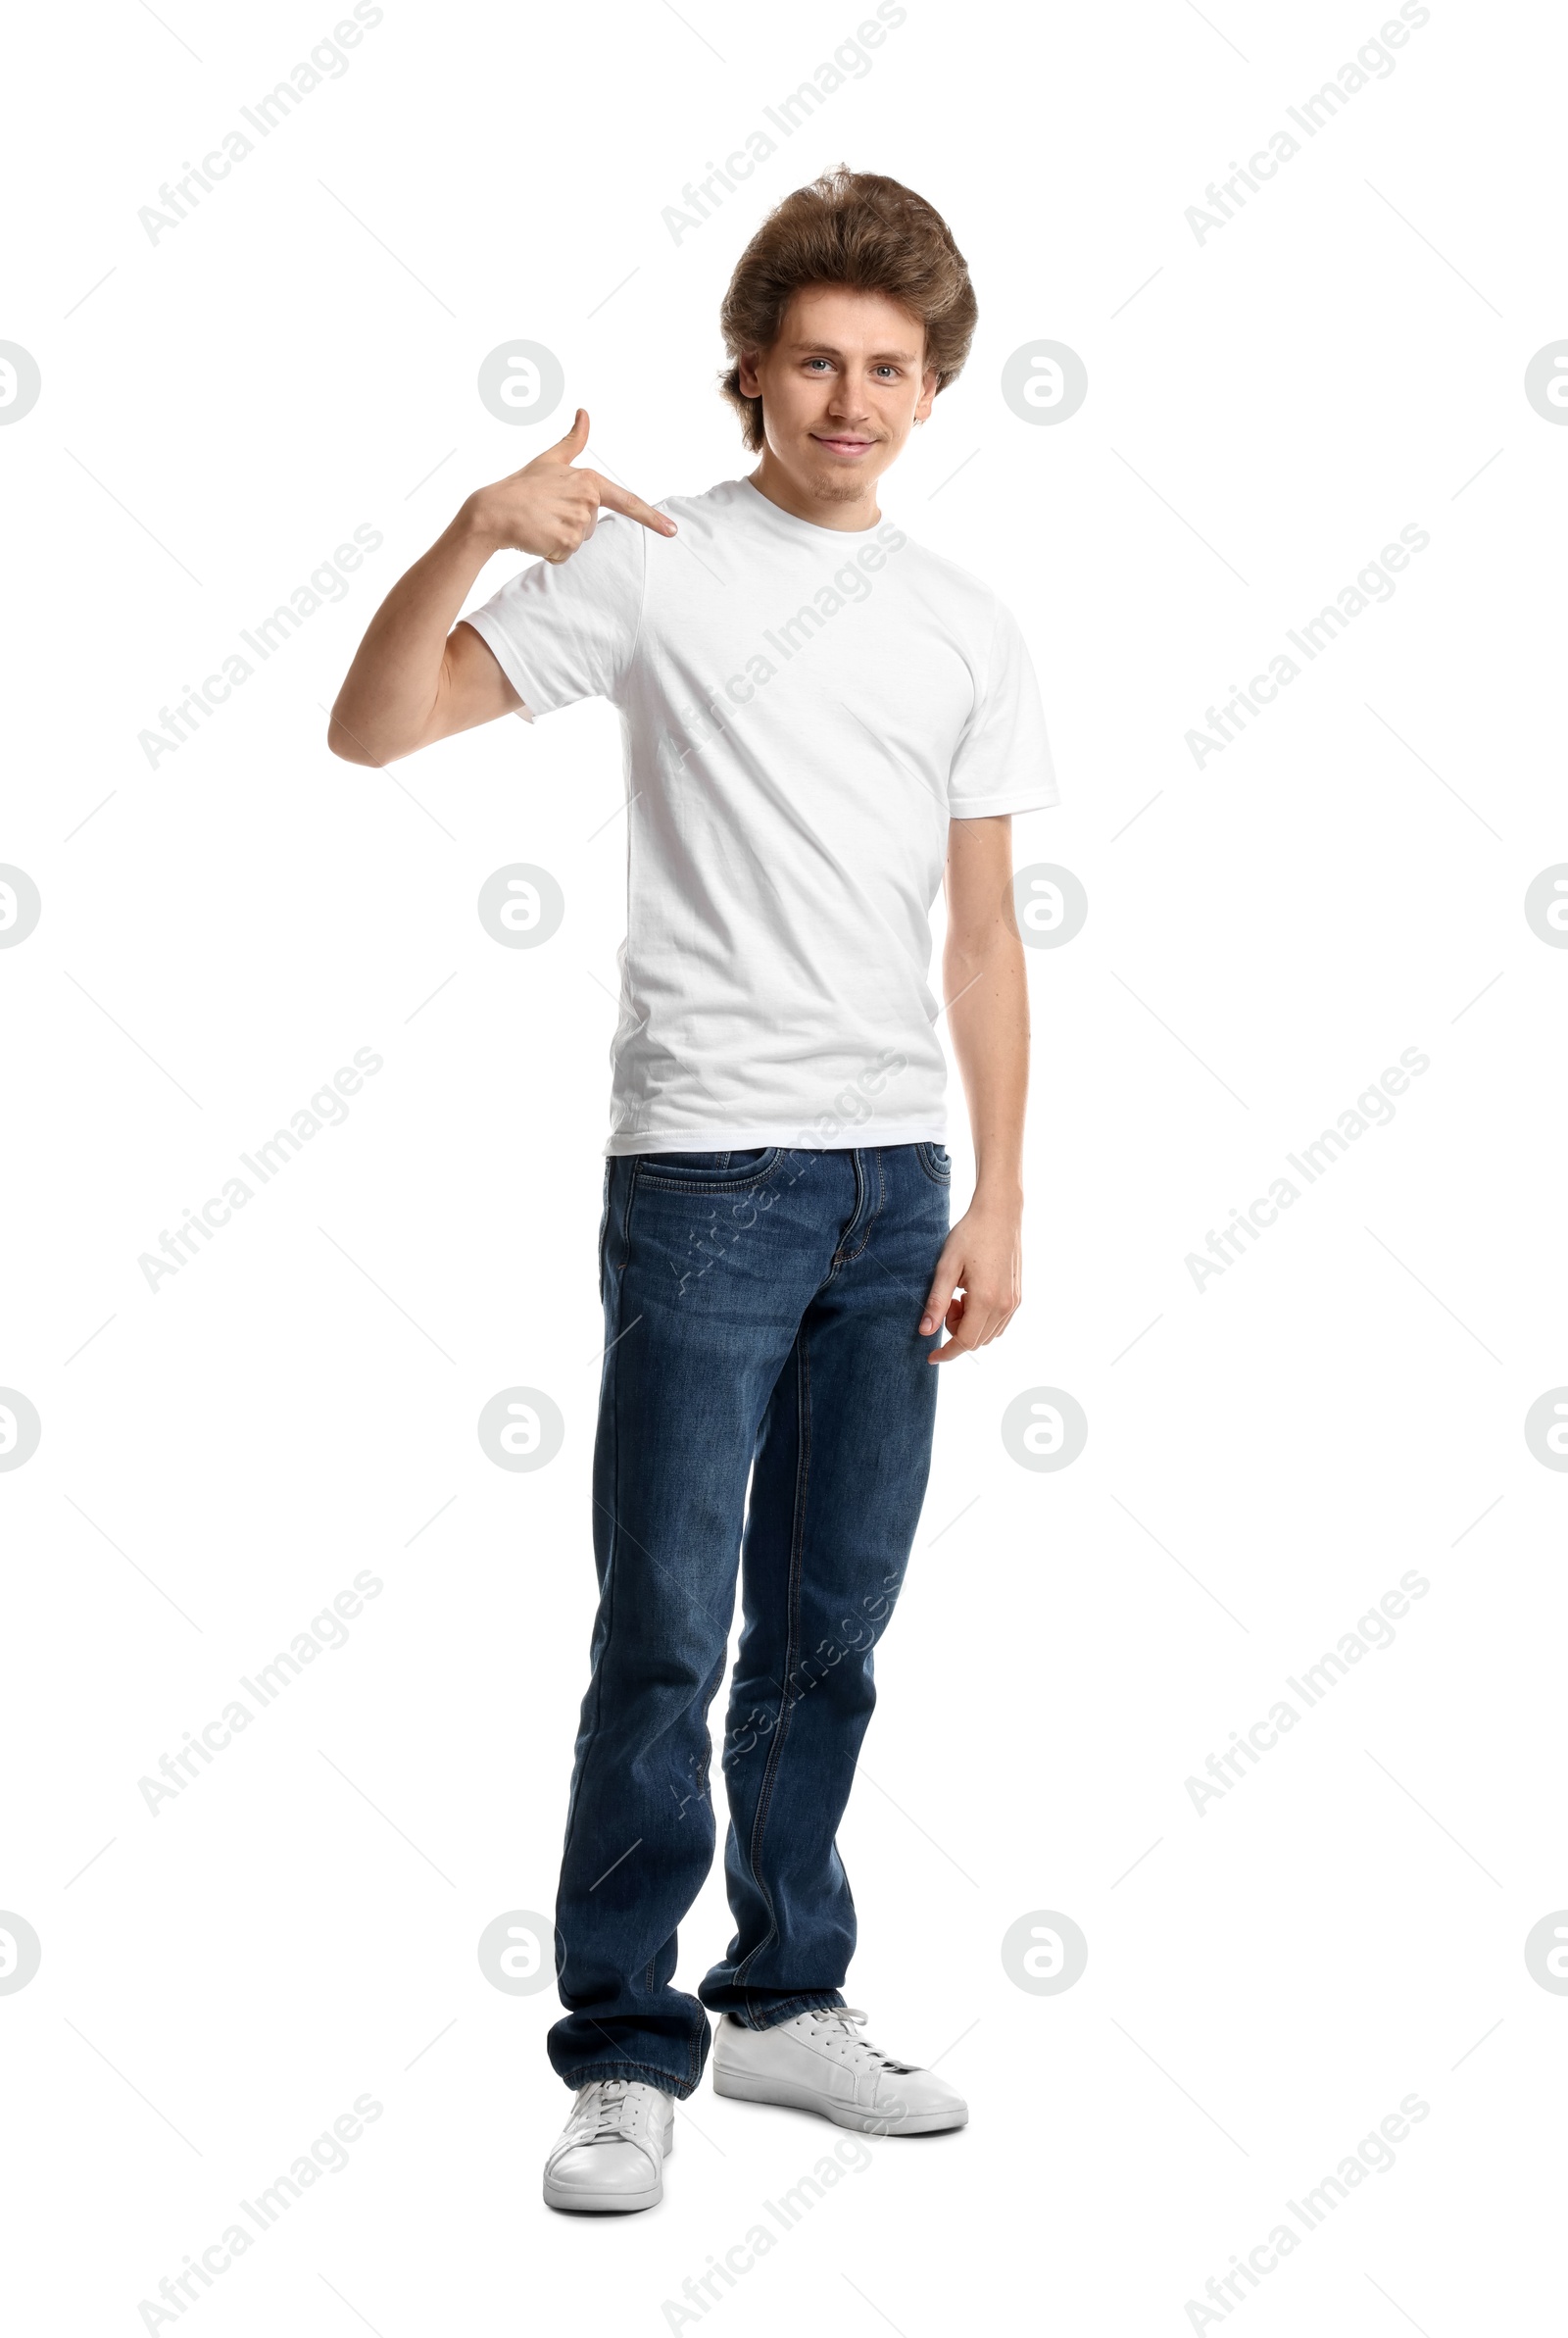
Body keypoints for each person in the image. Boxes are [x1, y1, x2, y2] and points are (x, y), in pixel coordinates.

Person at [329, 166, 1057, 2214]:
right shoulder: (649, 562)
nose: (850, 399)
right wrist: (472, 533)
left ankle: (783, 2001)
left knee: (828, 1625)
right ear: (749, 370)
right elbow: (369, 727)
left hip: (890, 1186)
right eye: (815, 360)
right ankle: (623, 2043)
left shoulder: (966, 622)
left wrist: (997, 1193)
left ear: (931, 389)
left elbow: (984, 940)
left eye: (888, 370)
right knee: (663, 1619)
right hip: (704, 1173)